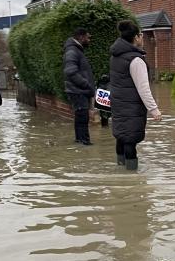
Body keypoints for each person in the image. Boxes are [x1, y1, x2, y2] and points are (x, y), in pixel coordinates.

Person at [109, 20, 162, 170]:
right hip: (131, 107)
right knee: (130, 140)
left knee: (121, 137)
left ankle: (120, 171)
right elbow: (143, 88)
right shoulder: (135, 59)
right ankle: (131, 176)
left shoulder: (115, 56)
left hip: (118, 105)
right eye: (140, 35)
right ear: (136, 37)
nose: (142, 38)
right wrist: (154, 109)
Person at [63, 28, 96, 145]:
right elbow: (70, 72)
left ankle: (80, 142)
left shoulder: (76, 50)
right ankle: (84, 143)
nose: (89, 40)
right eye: (87, 37)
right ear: (81, 37)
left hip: (78, 90)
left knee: (80, 117)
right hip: (78, 91)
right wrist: (86, 85)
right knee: (82, 118)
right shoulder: (72, 51)